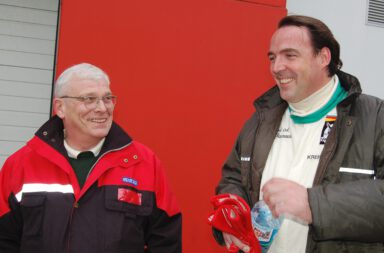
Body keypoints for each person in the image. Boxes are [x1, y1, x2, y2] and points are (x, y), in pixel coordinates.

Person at [214, 15, 384, 253]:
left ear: (324, 57)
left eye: (290, 55)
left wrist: (313, 205)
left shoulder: (375, 117)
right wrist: (233, 211)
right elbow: (233, 177)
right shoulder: (261, 118)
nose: (276, 67)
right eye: (272, 57)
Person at [0, 63, 182, 253]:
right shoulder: (21, 165)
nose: (102, 108)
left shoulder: (144, 163)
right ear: (60, 107)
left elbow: (166, 240)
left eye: (107, 98)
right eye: (89, 99)